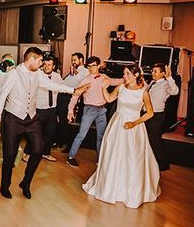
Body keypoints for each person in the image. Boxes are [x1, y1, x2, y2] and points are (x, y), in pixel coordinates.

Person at [0, 47, 85, 199]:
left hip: (31, 117)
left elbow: (52, 85)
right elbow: (2, 96)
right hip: (13, 118)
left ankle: (26, 183)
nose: (42, 64)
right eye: (40, 60)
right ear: (32, 59)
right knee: (10, 154)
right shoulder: (14, 74)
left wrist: (73, 90)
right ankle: (4, 185)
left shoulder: (38, 74)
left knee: (38, 150)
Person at [82, 64, 159, 208]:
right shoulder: (121, 88)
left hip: (134, 127)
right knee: (114, 154)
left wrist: (134, 123)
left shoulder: (143, 92)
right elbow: (109, 99)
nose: (125, 77)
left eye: (128, 74)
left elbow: (150, 113)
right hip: (117, 124)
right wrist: (104, 88)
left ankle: (130, 191)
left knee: (132, 158)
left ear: (136, 75)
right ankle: (111, 187)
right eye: (124, 74)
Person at [66, 56, 121, 167]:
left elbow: (114, 82)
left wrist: (127, 79)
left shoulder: (104, 77)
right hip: (89, 110)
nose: (91, 68)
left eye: (93, 66)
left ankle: (99, 159)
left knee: (101, 136)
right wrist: (70, 111)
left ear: (99, 66)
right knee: (81, 135)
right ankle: (71, 157)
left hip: (102, 110)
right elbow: (75, 96)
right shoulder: (85, 80)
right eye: (89, 66)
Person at [23, 54, 63, 163]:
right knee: (36, 134)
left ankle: (46, 153)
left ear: (53, 66)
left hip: (52, 110)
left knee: (49, 134)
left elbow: (61, 89)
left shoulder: (57, 77)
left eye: (49, 65)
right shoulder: (37, 75)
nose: (46, 67)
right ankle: (27, 152)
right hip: (39, 110)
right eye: (45, 64)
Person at [145, 63, 179, 171]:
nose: (152, 73)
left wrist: (169, 78)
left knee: (155, 140)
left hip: (157, 116)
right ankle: (149, 162)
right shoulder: (152, 82)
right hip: (146, 114)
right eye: (152, 71)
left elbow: (175, 91)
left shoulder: (165, 84)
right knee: (146, 138)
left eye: (155, 71)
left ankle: (163, 164)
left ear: (162, 73)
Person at [58, 52, 88, 151]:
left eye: (74, 60)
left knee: (67, 121)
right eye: (72, 60)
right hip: (62, 96)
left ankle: (69, 144)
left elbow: (82, 80)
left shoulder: (85, 71)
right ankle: (61, 141)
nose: (73, 62)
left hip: (70, 98)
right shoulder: (72, 71)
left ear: (81, 60)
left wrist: (75, 71)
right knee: (61, 120)